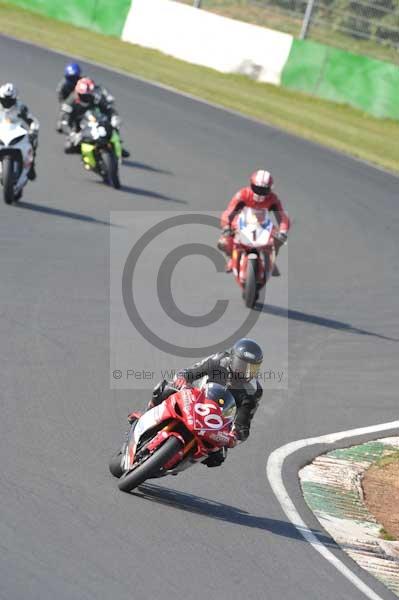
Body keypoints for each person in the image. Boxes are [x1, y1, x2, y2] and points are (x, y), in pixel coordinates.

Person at [129, 338, 264, 468]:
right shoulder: (219, 360)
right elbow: (190, 372)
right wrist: (183, 379)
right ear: (233, 359)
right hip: (194, 399)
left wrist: (235, 436)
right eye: (242, 366)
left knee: (218, 457)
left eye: (252, 369)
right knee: (164, 389)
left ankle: (180, 458)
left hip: (216, 421)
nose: (246, 372)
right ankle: (146, 415)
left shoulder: (253, 391)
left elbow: (243, 423)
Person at [218, 170, 290, 275]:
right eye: (257, 188)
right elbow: (229, 212)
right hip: (241, 221)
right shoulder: (242, 195)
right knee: (223, 243)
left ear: (270, 189)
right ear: (251, 185)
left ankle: (271, 261)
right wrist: (226, 227)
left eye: (264, 190)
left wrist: (283, 231)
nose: (260, 192)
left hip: (264, 224)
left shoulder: (273, 199)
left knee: (278, 240)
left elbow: (282, 216)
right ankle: (232, 259)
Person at [63, 76, 130, 157]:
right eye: (86, 95)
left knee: (112, 126)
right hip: (78, 126)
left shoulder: (95, 97)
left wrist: (114, 117)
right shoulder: (69, 103)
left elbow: (108, 109)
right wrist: (72, 133)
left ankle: (117, 144)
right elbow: (64, 122)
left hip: (95, 120)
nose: (88, 96)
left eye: (90, 93)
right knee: (69, 148)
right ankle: (86, 153)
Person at [0, 82, 39, 180]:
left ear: (15, 99)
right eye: (4, 100)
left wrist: (33, 129)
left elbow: (31, 119)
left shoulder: (21, 107)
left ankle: (31, 166)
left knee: (32, 140)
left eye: (10, 100)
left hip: (16, 131)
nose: (7, 103)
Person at [56, 63, 82, 132]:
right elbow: (60, 97)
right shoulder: (63, 85)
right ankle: (60, 123)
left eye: (74, 77)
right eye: (71, 77)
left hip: (78, 98)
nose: (73, 79)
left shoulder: (81, 81)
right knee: (65, 109)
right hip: (66, 98)